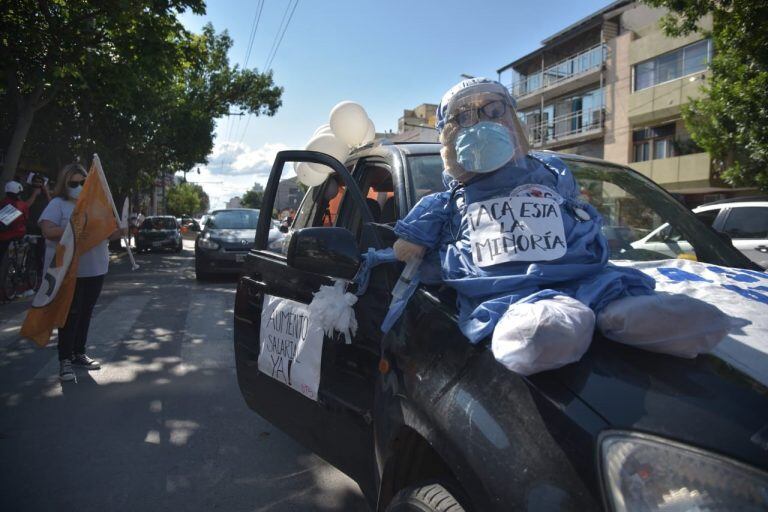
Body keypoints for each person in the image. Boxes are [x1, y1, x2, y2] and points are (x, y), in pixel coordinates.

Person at [390, 78, 729, 375]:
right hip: (513, 294)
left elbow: (577, 211)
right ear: (449, 137)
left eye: (492, 110)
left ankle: (625, 312)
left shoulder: (549, 172)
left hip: (583, 273)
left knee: (608, 293)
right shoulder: (447, 203)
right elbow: (407, 250)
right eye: (464, 118)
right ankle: (552, 323)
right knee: (540, 331)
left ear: (510, 118)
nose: (479, 122)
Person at [38, 163, 125, 382]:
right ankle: (64, 359)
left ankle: (78, 353)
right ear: (64, 184)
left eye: (83, 182)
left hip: (95, 268)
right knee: (70, 313)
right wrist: (75, 230)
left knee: (86, 311)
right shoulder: (58, 204)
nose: (79, 187)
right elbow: (47, 231)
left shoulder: (96, 206)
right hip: (68, 270)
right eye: (73, 183)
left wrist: (121, 230)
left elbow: (109, 234)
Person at [0, 180, 31, 264]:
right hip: (16, 236)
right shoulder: (22, 205)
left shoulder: (3, 202)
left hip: (4, 237)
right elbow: (26, 220)